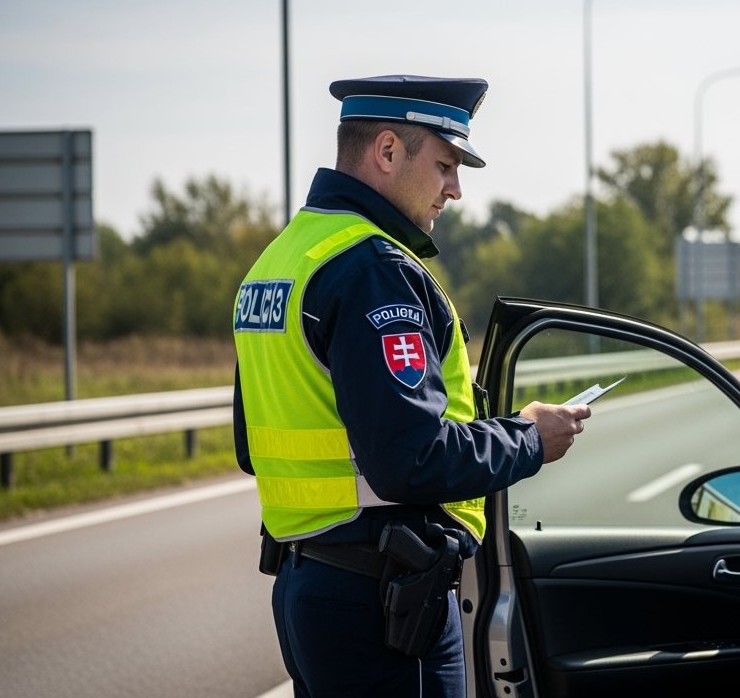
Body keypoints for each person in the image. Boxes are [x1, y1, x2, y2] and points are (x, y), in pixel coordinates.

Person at [231, 74, 590, 697]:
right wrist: (528, 438)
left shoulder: (282, 259)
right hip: (384, 604)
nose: (456, 189)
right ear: (388, 151)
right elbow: (412, 460)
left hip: (306, 589)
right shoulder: (375, 269)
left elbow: (250, 444)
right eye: (447, 164)